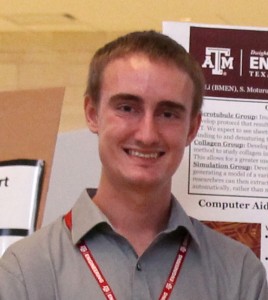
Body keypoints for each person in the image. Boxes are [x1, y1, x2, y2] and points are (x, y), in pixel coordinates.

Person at [0, 30, 267, 300]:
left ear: (192, 129)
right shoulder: (25, 272)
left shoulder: (239, 274)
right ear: (92, 114)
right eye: (128, 108)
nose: (147, 134)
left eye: (168, 113)